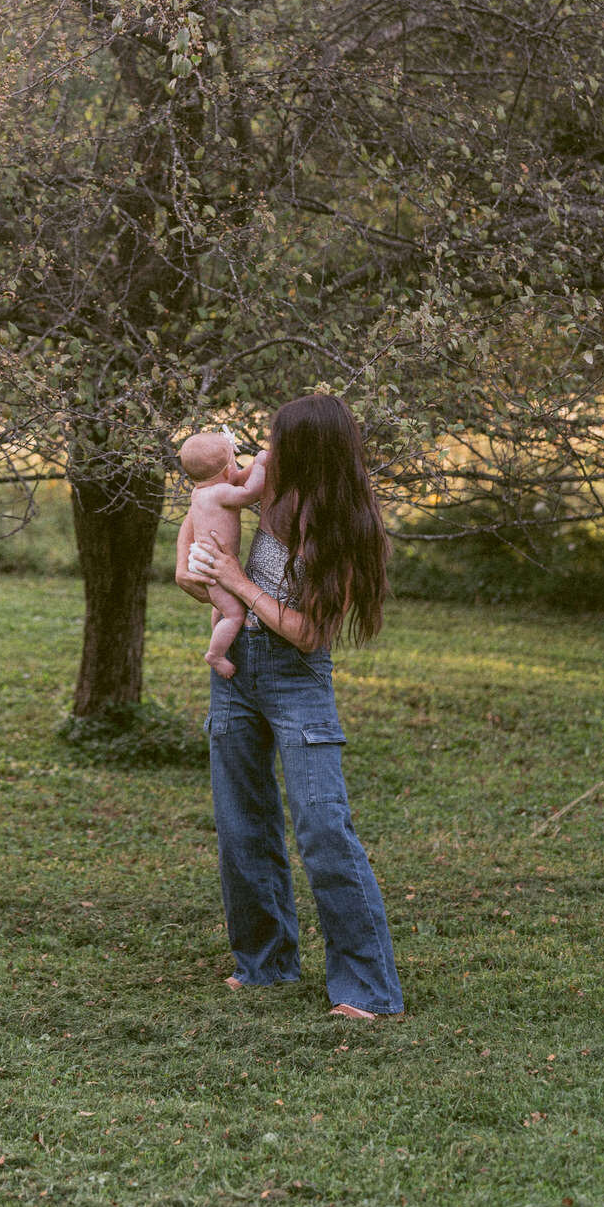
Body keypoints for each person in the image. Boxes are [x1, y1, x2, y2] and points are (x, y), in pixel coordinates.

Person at [175, 393, 404, 1022]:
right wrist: (192, 568)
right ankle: (265, 964)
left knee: (323, 827)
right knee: (242, 823)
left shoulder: (342, 522)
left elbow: (308, 634)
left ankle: (367, 990)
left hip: (296, 675)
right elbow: (201, 520)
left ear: (314, 453)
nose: (266, 450)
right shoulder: (264, 476)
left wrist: (236, 580)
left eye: (281, 441)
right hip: (237, 670)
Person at [178, 431, 269, 678]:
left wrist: (254, 464)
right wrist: (260, 465)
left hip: (204, 558)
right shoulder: (220, 493)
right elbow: (250, 492)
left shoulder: (201, 492)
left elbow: (237, 478)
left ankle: (220, 636)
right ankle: (215, 655)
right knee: (235, 613)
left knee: (221, 605)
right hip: (212, 563)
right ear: (228, 470)